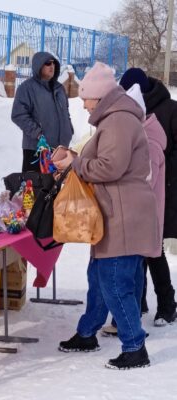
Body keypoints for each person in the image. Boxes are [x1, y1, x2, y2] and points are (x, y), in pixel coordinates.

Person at [53, 62, 160, 369]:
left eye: (85, 97)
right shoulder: (114, 120)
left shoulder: (118, 122)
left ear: (99, 97)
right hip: (117, 212)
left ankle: (134, 346)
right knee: (99, 277)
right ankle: (87, 333)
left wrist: (76, 164)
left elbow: (109, 168)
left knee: (114, 282)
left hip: (123, 215)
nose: (82, 103)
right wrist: (76, 158)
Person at [101, 83, 167, 336]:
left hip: (141, 216)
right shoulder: (147, 137)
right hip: (146, 214)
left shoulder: (148, 143)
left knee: (128, 274)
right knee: (138, 268)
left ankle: (132, 327)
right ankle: (137, 314)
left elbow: (144, 181)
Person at [119, 68, 177, 326]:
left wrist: (160, 163)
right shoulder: (132, 113)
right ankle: (139, 301)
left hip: (165, 188)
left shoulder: (170, 109)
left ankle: (167, 305)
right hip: (141, 188)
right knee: (139, 248)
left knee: (154, 250)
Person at [11, 51, 74, 172]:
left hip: (60, 150)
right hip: (37, 150)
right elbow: (18, 115)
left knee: (56, 188)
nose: (52, 66)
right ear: (38, 66)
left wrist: (69, 131)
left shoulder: (59, 88)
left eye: (53, 63)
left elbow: (66, 113)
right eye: (47, 63)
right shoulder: (27, 88)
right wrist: (38, 134)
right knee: (35, 187)